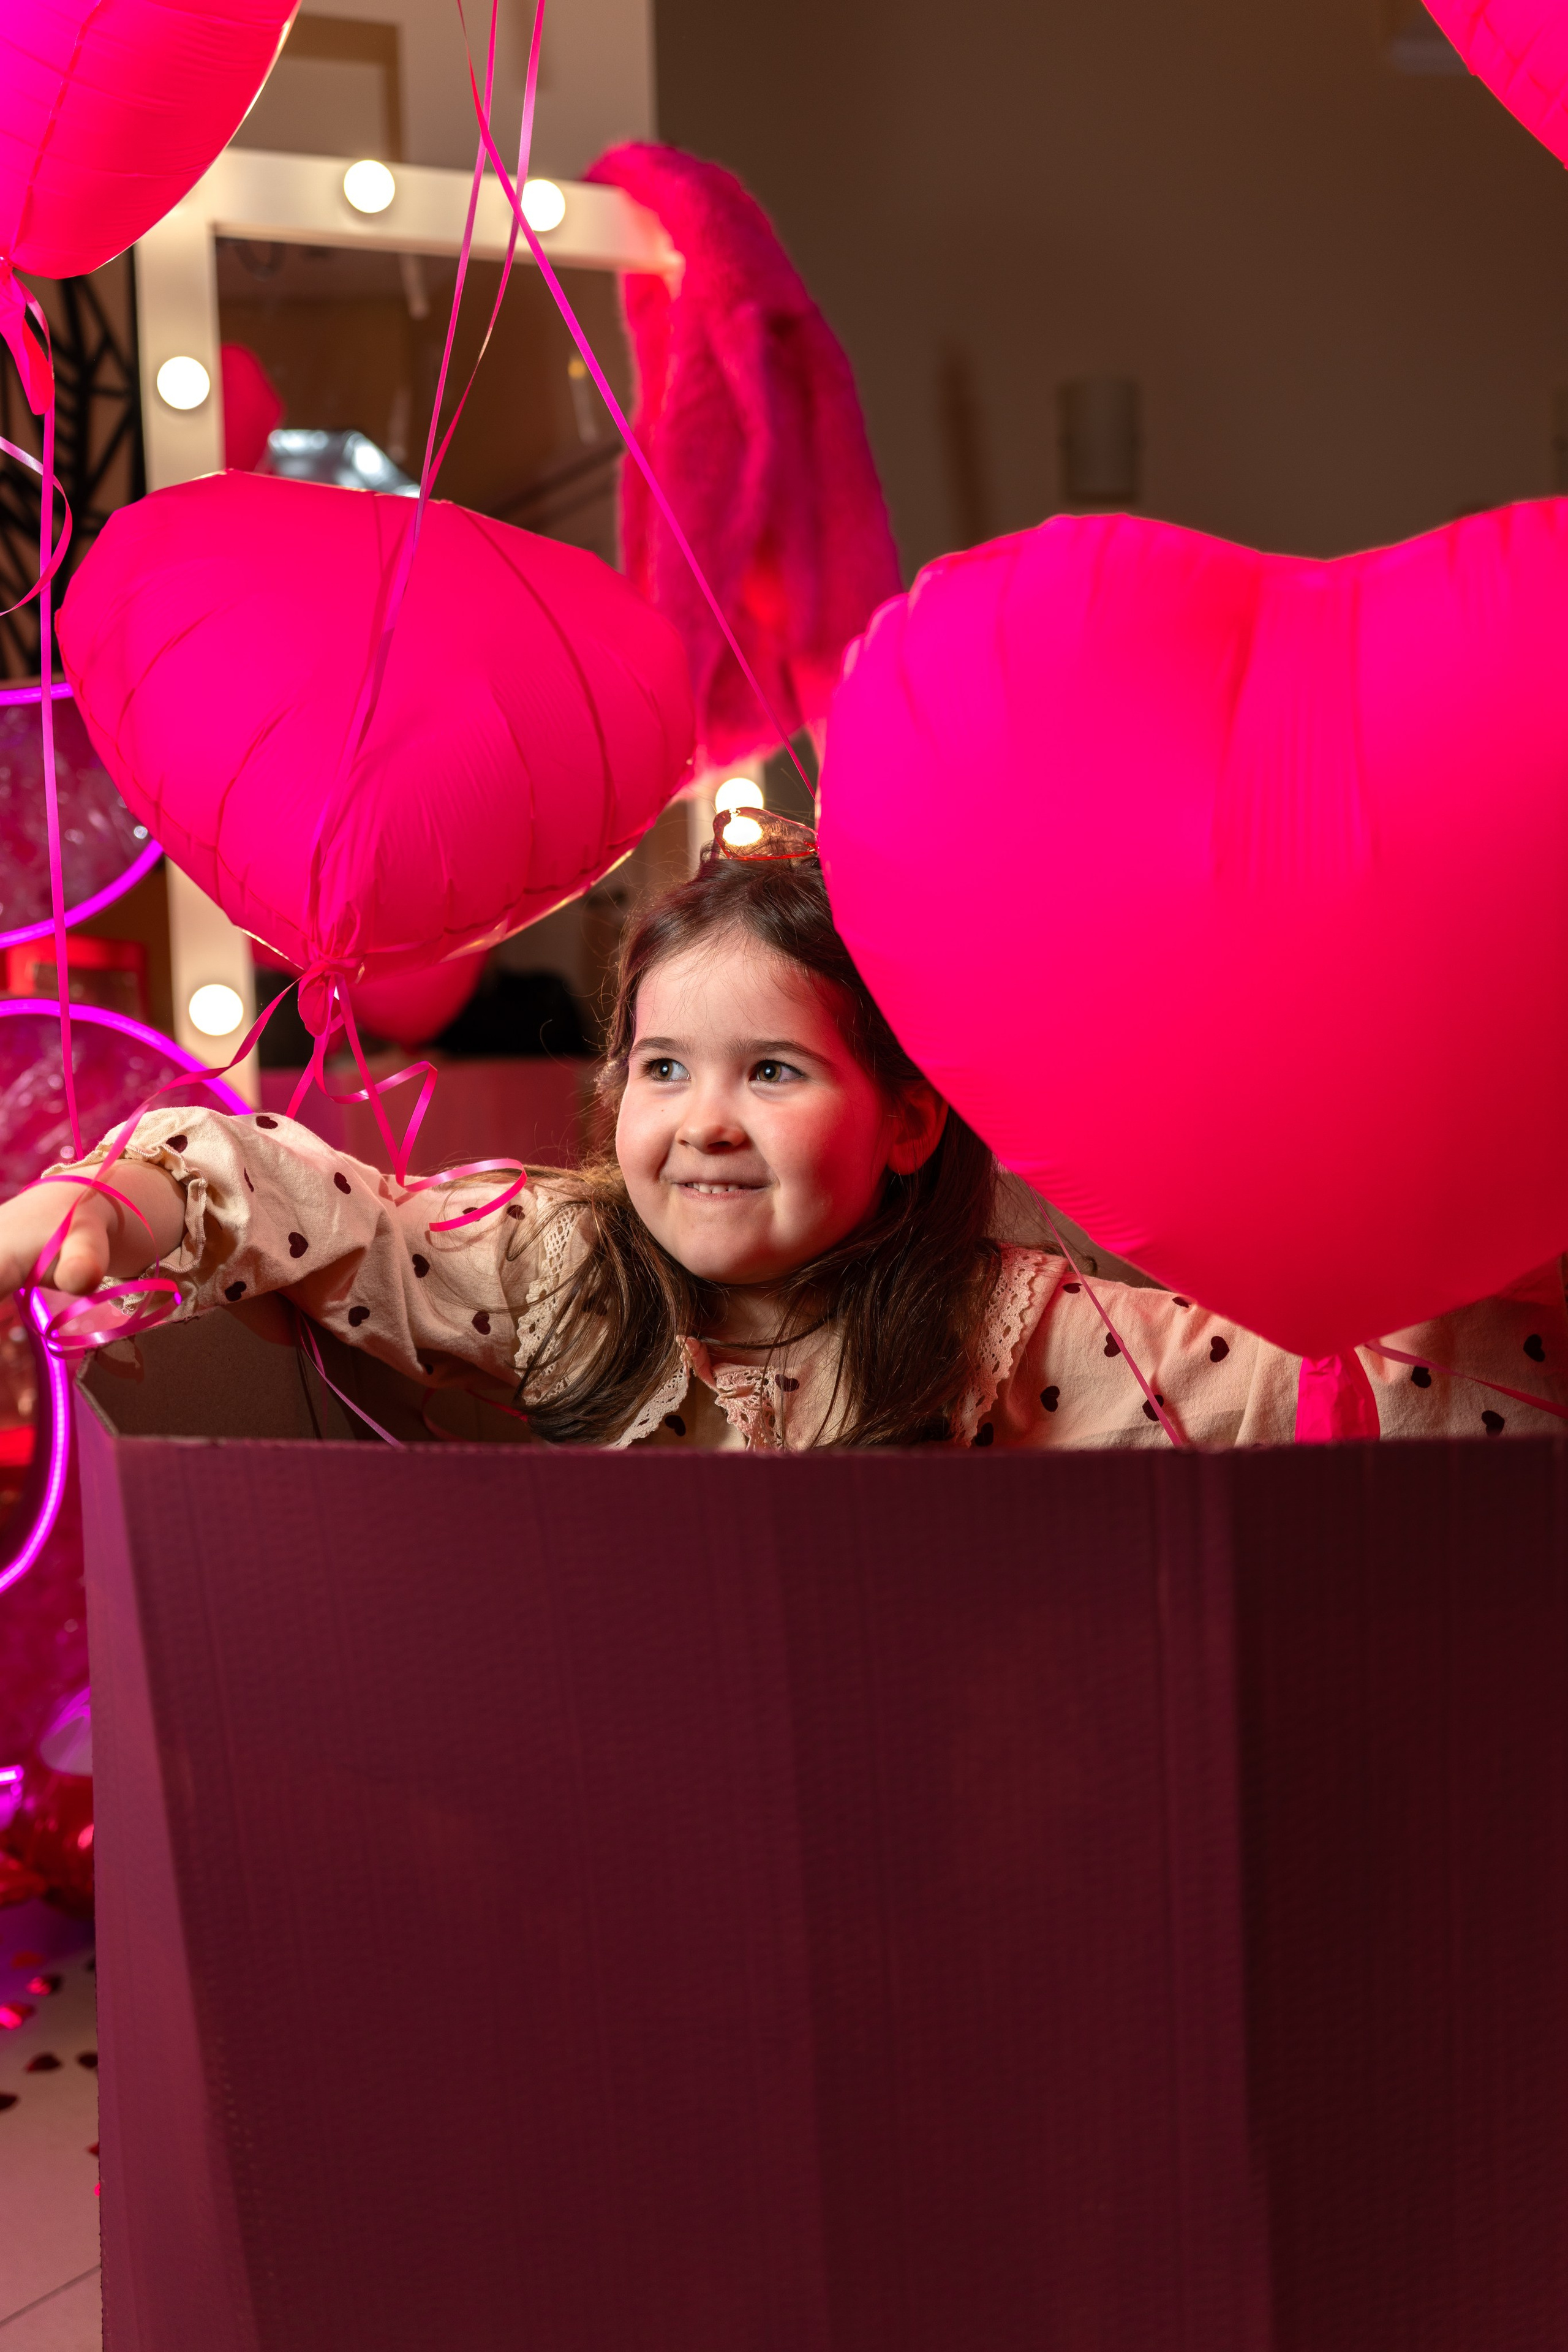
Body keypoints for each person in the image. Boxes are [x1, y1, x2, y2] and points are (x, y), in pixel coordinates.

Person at [1, 810, 1564, 1450]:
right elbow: (314, 1201)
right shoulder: (555, 1260)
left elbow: (1341, 1394)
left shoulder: (1014, 1328)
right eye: (663, 1070)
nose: (703, 1125)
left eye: (771, 1074)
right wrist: (119, 1205)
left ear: (903, 1120)